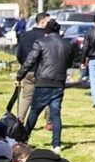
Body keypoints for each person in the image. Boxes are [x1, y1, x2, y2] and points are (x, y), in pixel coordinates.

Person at [16, 19, 75, 153]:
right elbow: (70, 62)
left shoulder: (41, 43)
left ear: (46, 31)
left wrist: (20, 75)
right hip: (59, 82)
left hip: (43, 81)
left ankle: (24, 139)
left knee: (34, 112)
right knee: (56, 114)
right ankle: (56, 144)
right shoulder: (66, 44)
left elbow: (30, 60)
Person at [16, 12, 51, 124]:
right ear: (42, 22)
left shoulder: (24, 35)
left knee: (26, 97)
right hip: (44, 71)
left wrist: (25, 65)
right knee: (48, 96)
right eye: (49, 21)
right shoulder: (47, 37)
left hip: (28, 70)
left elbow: (19, 54)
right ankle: (49, 121)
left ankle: (20, 119)